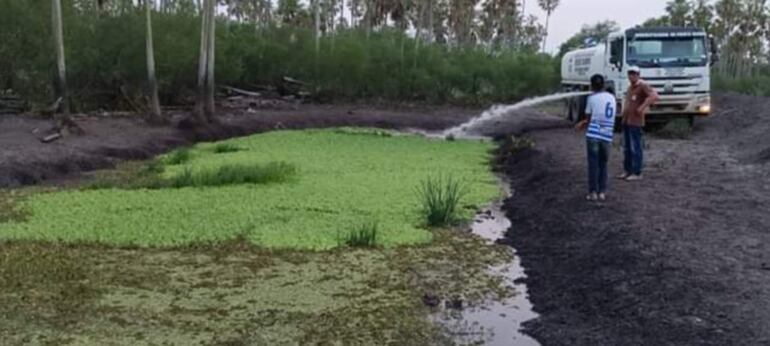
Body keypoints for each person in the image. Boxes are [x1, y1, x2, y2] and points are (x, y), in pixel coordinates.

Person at [576, 74, 616, 201]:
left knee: (593, 164)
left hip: (594, 134)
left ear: (592, 85)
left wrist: (582, 123)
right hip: (607, 135)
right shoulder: (612, 97)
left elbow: (588, 117)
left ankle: (592, 192)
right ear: (603, 84)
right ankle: (602, 192)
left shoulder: (591, 98)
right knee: (603, 164)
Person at [618, 66, 659, 181]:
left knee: (635, 147)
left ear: (638, 75)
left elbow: (655, 96)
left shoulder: (643, 86)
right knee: (627, 148)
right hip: (627, 120)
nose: (632, 75)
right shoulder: (630, 87)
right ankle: (628, 170)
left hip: (636, 122)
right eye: (630, 73)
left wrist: (642, 107)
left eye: (634, 73)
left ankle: (637, 172)